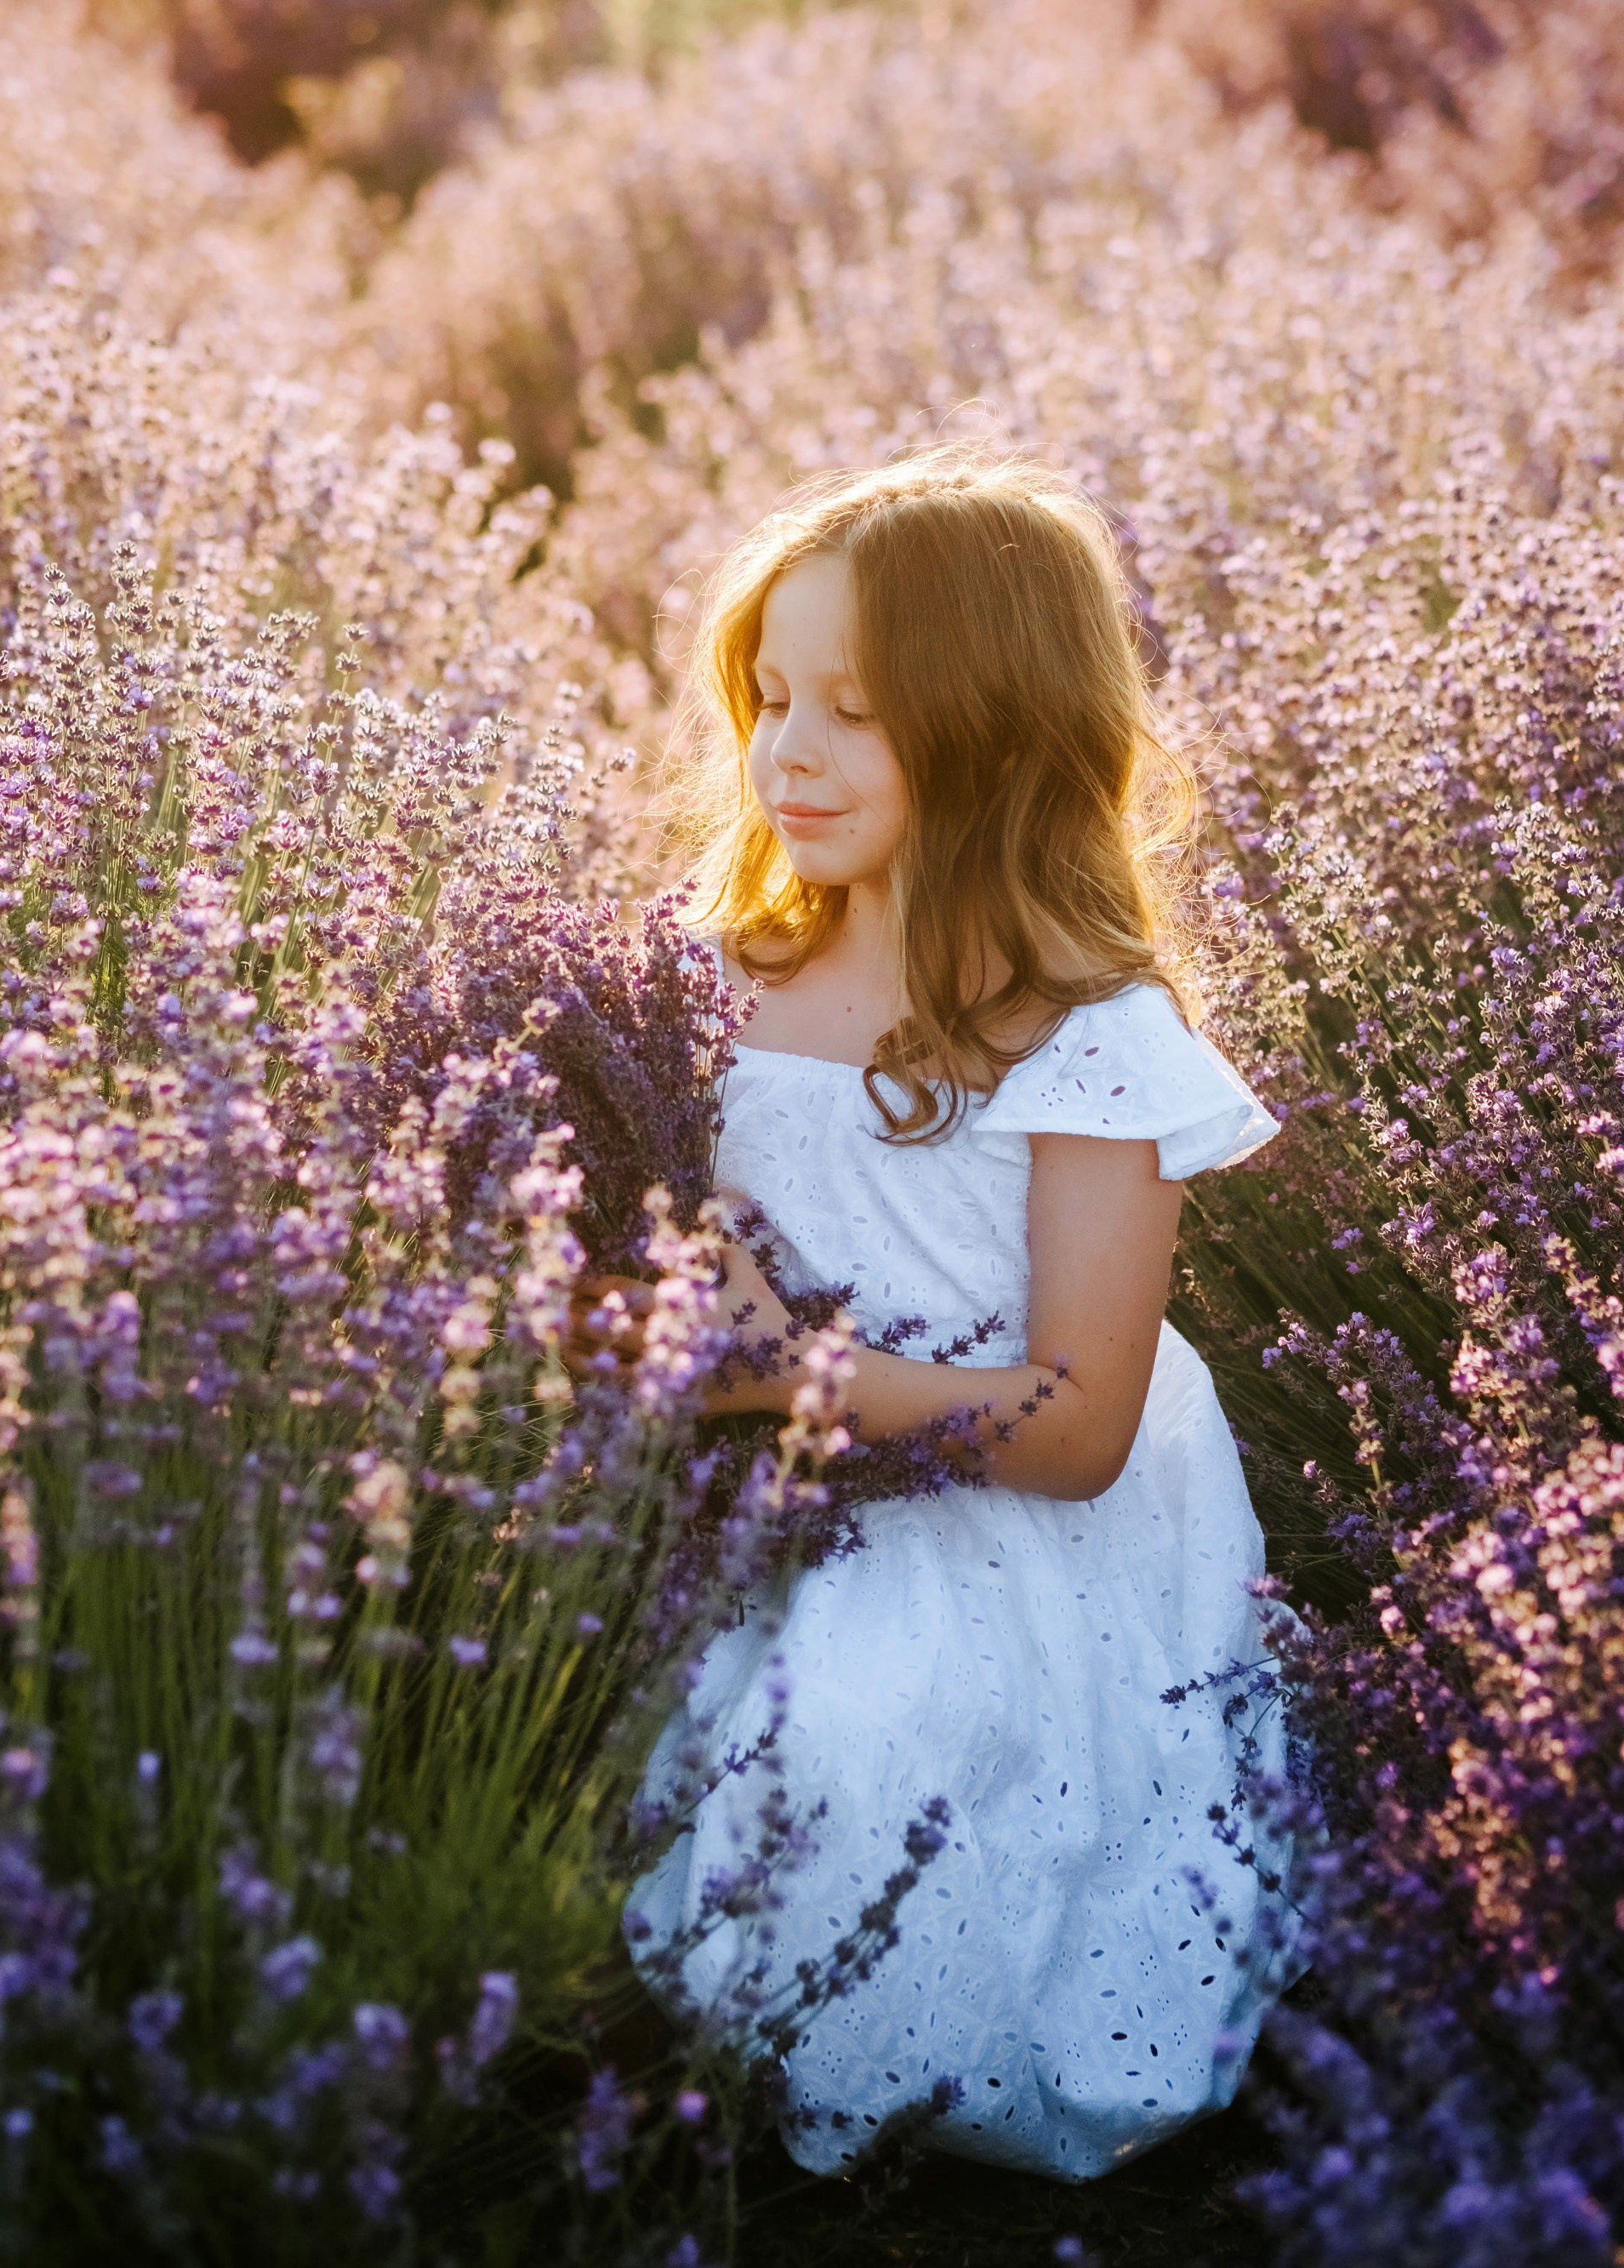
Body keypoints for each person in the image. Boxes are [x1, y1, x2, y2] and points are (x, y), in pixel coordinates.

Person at [567, 448, 1309, 2182]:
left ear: (994, 728)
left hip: (1011, 1529)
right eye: (766, 699)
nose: (786, 752)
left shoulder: (1088, 1034)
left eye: (856, 709)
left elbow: (1074, 1422)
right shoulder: (719, 972)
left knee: (860, 1734)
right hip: (767, 1487)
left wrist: (781, 1376)